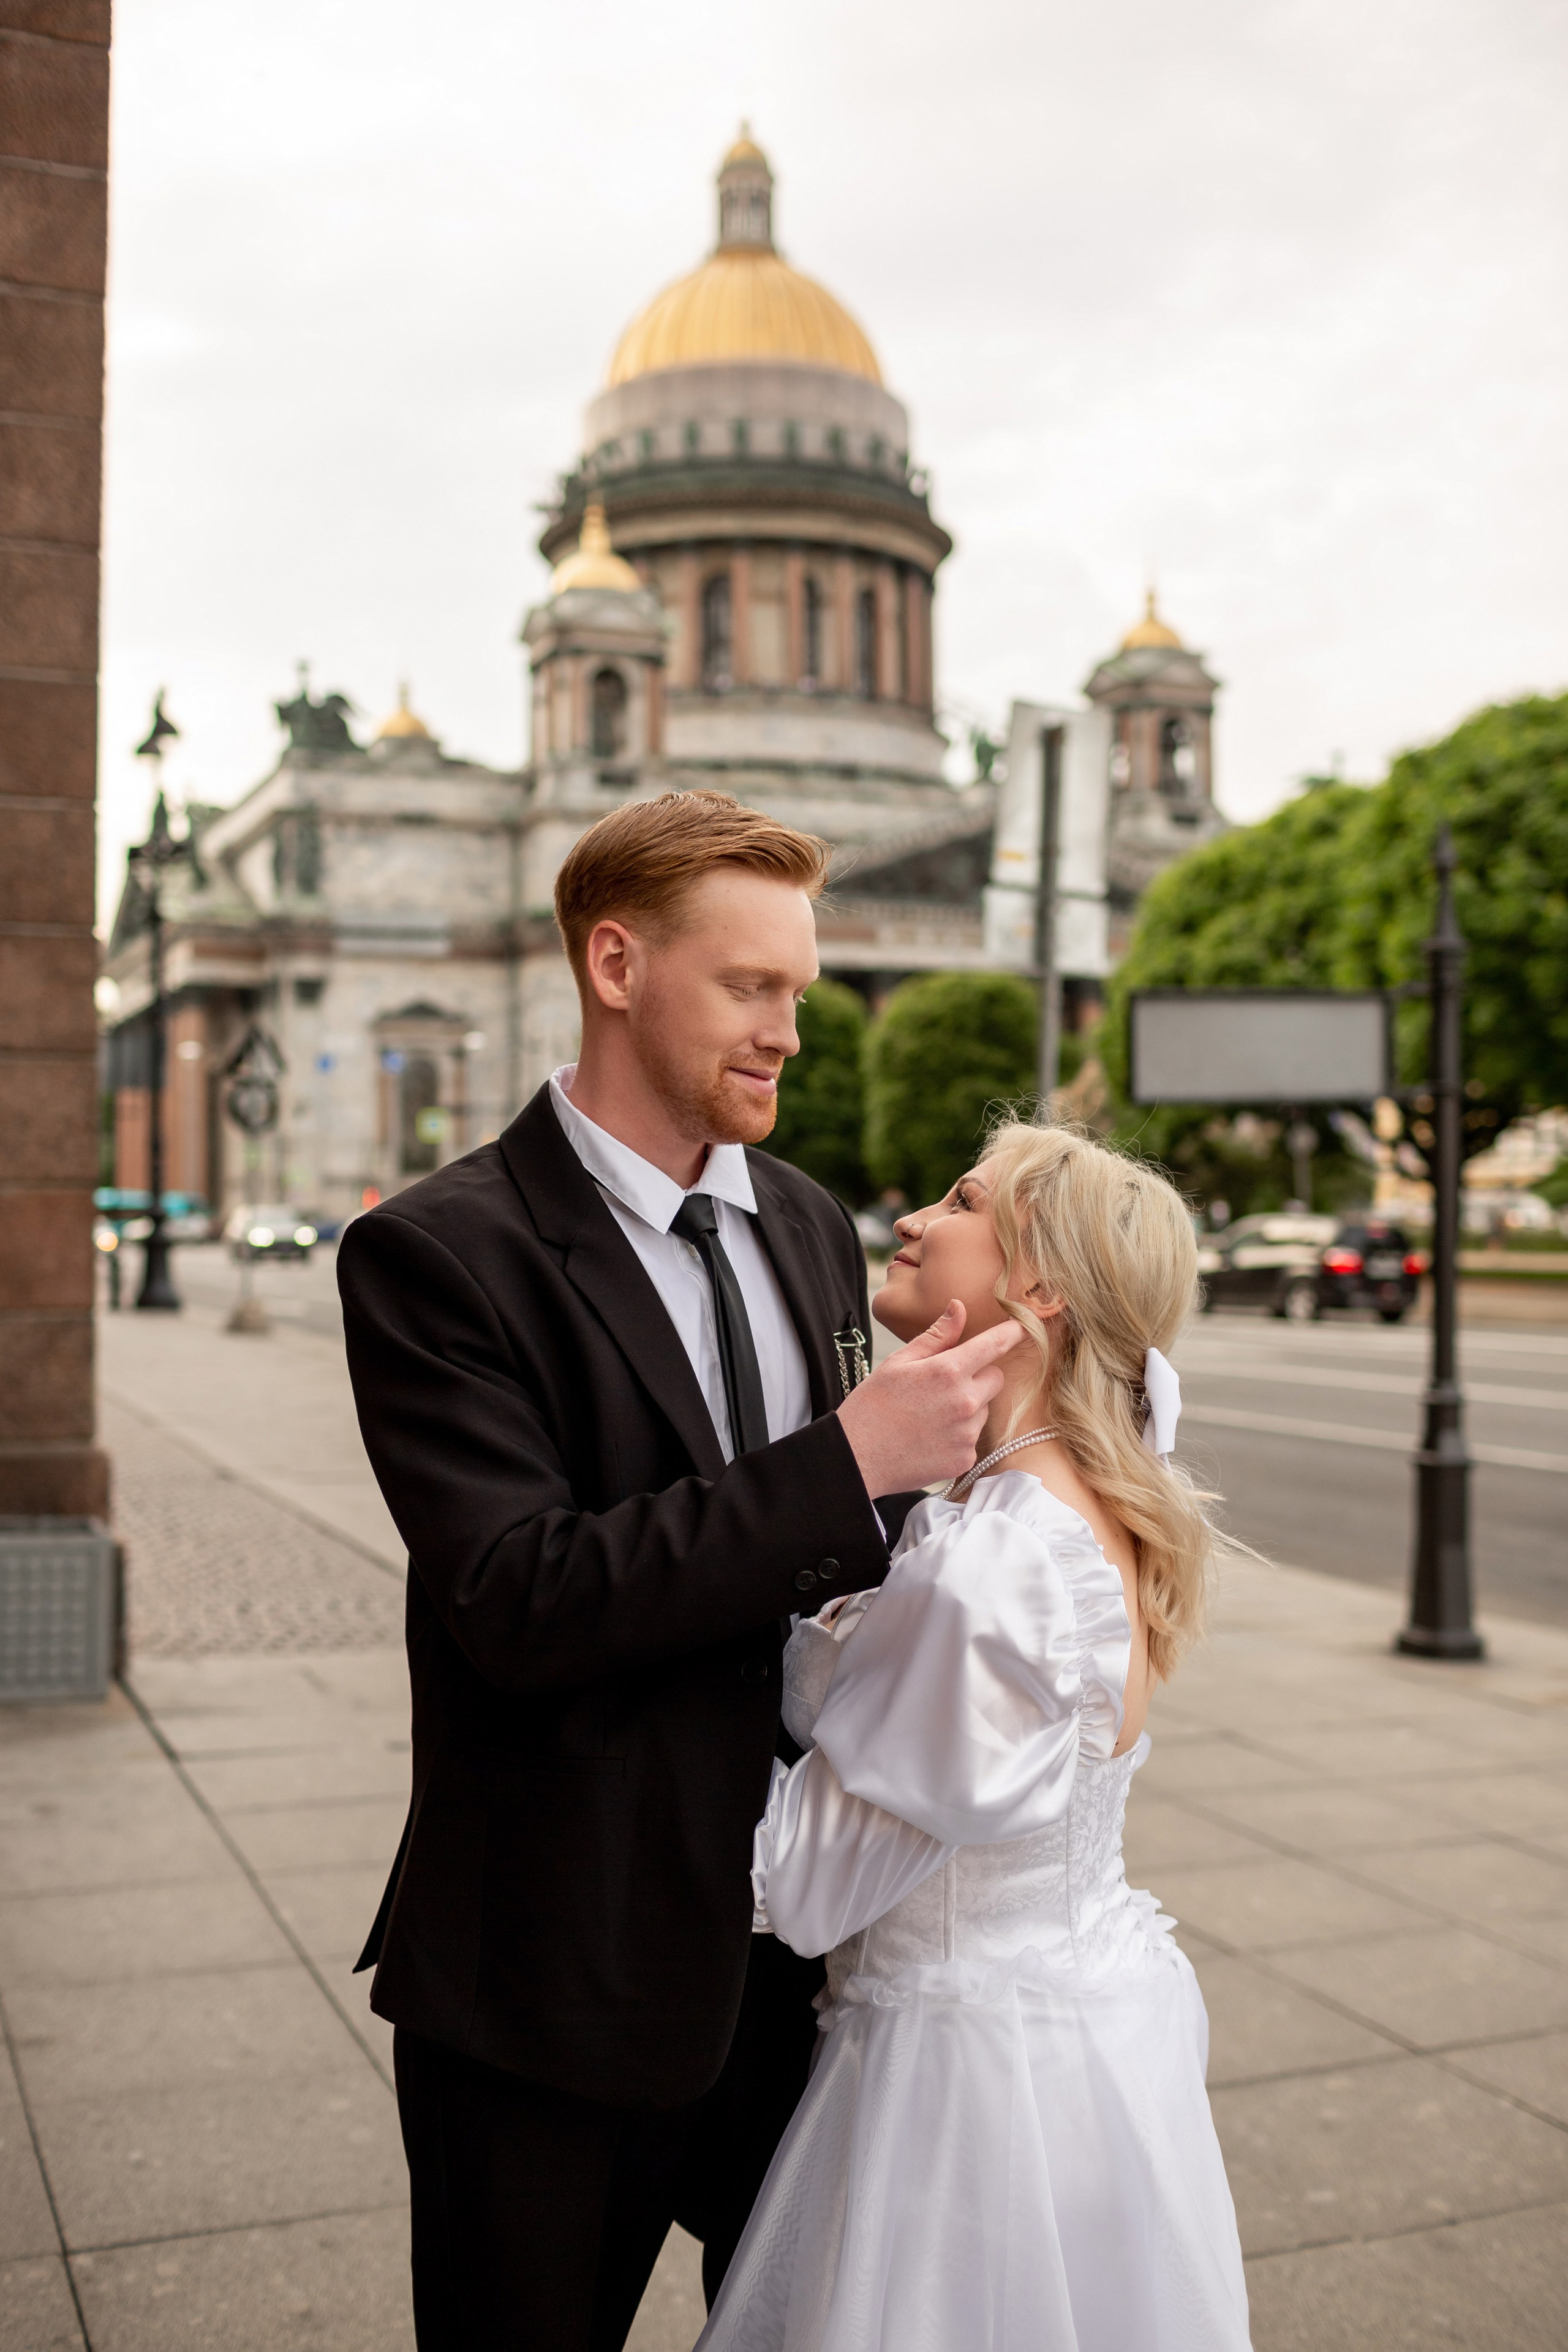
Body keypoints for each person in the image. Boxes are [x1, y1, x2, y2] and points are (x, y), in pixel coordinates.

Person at [336, 790, 1023, 2351]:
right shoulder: (442, 1253)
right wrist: (847, 1462)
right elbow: (519, 1598)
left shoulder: (801, 1222)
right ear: (616, 962)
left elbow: (841, 1557)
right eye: (750, 986)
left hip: (800, 1968)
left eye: (801, 992)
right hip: (552, 1976)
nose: (789, 1031)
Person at [704, 1120, 1253, 2351]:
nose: (907, 1220)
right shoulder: (1048, 1504)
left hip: (962, 2088)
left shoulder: (992, 1560)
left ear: (1038, 1286)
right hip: (1077, 2042)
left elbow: (801, 1882)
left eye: (956, 1200)